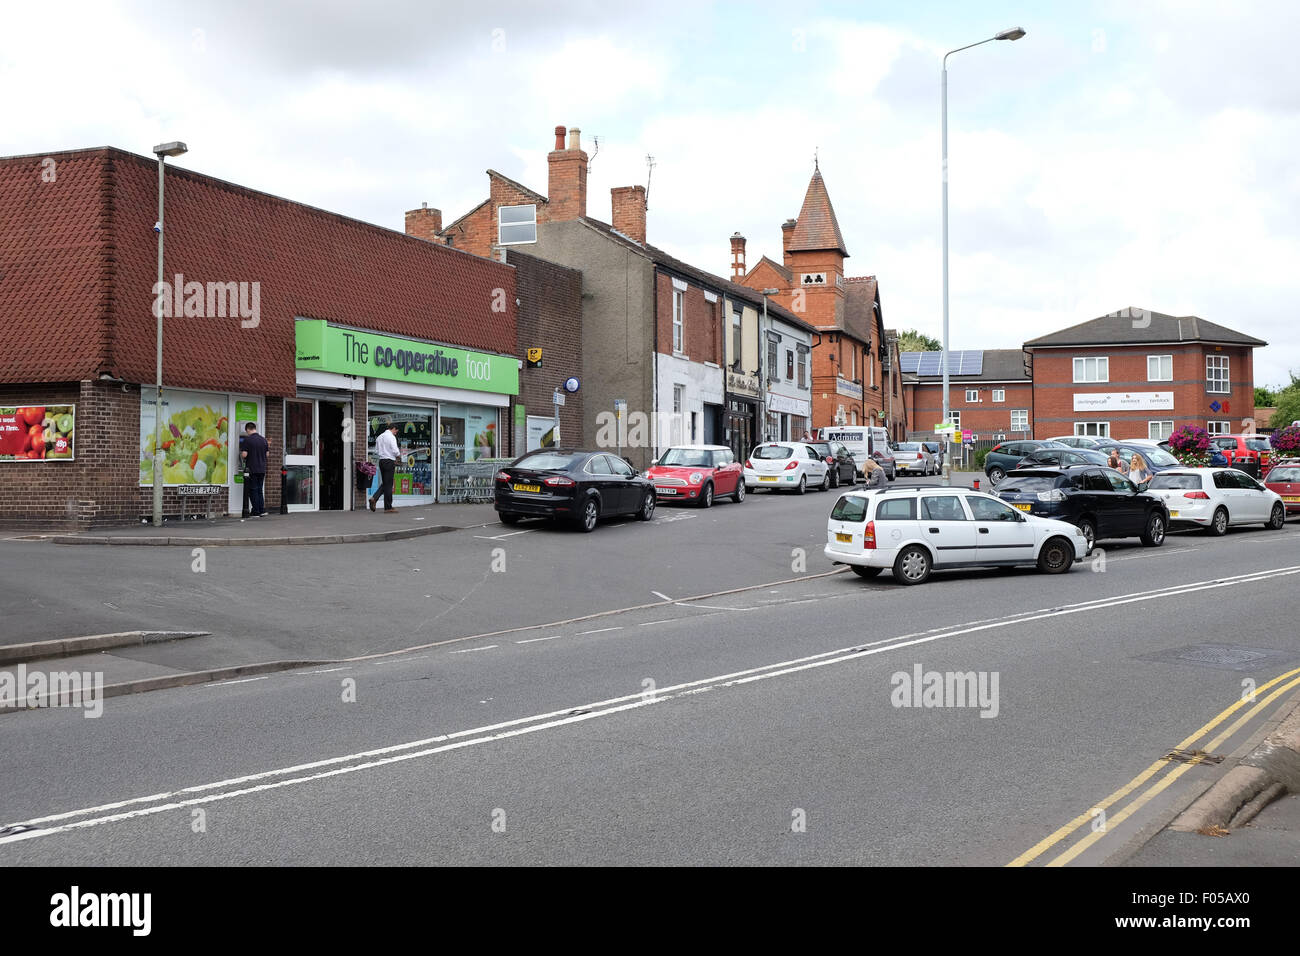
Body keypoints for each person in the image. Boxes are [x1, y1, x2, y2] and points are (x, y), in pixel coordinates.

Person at [238, 421, 270, 517]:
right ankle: (262, 510)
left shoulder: (247, 440)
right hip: (262, 469)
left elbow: (244, 455)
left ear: (248, 429)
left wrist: (243, 455)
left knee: (253, 490)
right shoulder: (264, 440)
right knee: (260, 489)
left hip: (252, 468)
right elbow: (267, 454)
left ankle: (255, 511)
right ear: (255, 428)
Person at [371, 423, 402, 513]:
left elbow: (376, 450)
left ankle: (375, 498)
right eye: (396, 431)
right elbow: (395, 451)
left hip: (381, 461)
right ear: (394, 428)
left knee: (385, 483)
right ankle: (388, 507)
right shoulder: (391, 437)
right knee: (388, 485)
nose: (396, 433)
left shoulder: (379, 437)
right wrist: (399, 456)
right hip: (389, 461)